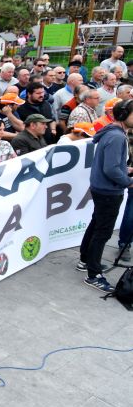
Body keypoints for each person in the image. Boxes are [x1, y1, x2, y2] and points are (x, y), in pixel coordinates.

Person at [79, 100, 133, 292]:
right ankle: (94, 275)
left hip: (103, 188)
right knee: (103, 232)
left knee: (96, 224)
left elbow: (113, 165)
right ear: (123, 115)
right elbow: (110, 169)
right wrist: (128, 181)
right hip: (109, 191)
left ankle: (85, 260)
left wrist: (127, 169)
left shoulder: (113, 133)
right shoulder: (117, 137)